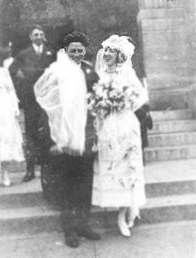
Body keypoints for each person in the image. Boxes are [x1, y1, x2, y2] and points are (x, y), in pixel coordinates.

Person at [34, 31, 101, 248]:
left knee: (85, 184)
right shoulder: (55, 72)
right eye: (73, 50)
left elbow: (98, 100)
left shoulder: (89, 72)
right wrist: (52, 141)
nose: (77, 53)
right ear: (65, 51)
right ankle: (69, 229)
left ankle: (83, 224)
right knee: (66, 186)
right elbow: (45, 107)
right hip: (62, 139)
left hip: (85, 136)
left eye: (81, 50)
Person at [92, 35, 146, 237]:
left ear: (119, 55)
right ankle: (115, 205)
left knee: (127, 167)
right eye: (105, 50)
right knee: (111, 166)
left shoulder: (127, 73)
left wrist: (124, 103)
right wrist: (101, 106)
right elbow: (95, 98)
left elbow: (140, 95)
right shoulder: (100, 74)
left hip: (125, 124)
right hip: (106, 125)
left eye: (110, 51)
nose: (106, 54)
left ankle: (123, 215)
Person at [9, 24, 55, 182]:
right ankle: (30, 171)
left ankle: (48, 170)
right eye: (36, 34)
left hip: (47, 100)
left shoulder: (51, 52)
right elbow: (12, 68)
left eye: (41, 34)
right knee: (31, 134)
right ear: (30, 37)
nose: (39, 37)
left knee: (48, 133)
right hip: (31, 100)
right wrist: (20, 75)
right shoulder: (23, 54)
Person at [0, 48, 24, 187]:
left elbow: (11, 90)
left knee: (6, 139)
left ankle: (5, 173)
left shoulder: (4, 72)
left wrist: (14, 108)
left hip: (4, 107)